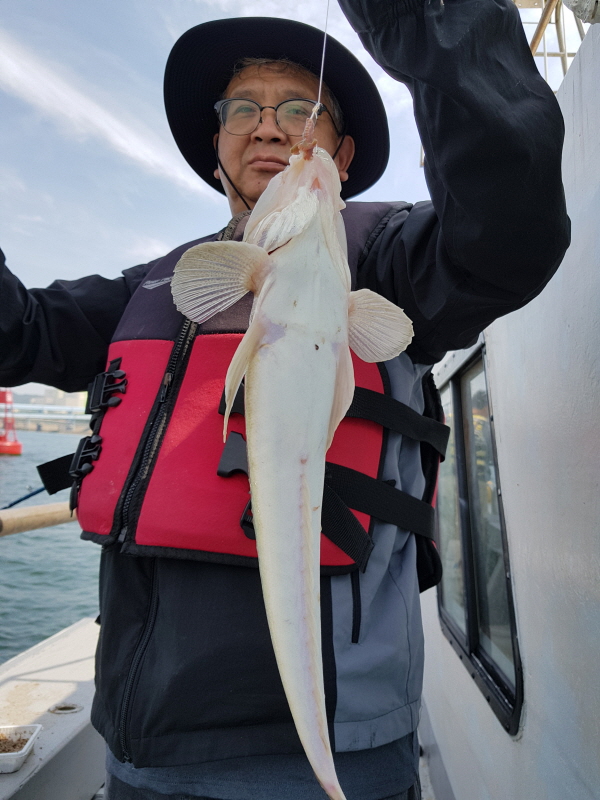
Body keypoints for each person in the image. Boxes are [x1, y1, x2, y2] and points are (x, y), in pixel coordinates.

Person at [0, 1, 570, 798]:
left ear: (343, 153)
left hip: (324, 760)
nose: (270, 128)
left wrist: (430, 22)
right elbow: (18, 334)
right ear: (217, 147)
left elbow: (508, 237)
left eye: (302, 109)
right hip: (139, 755)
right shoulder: (149, 287)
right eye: (244, 108)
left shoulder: (389, 257)